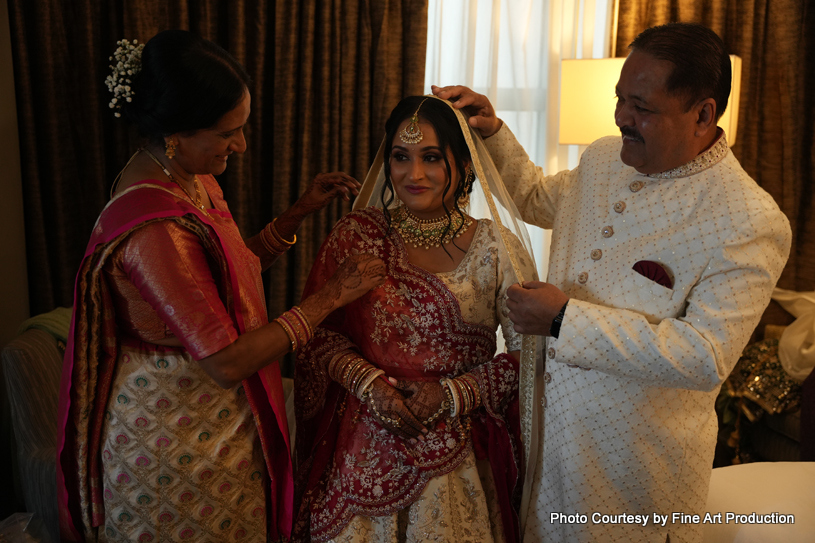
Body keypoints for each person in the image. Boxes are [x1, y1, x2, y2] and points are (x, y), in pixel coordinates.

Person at [433, 22, 792, 543]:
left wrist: (562, 319)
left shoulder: (748, 219)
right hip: (547, 442)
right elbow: (535, 197)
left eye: (642, 108)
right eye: (620, 98)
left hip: (633, 479)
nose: (622, 117)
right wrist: (492, 132)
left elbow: (704, 354)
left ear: (703, 115)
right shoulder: (603, 157)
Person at [56, 30, 386, 543]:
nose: (242, 144)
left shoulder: (192, 177)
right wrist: (331, 298)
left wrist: (295, 214)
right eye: (227, 132)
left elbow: (222, 280)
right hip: (174, 438)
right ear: (176, 133)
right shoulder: (156, 229)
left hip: (215, 422)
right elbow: (227, 361)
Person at [290, 95, 538, 542]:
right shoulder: (358, 234)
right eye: (400, 158)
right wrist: (370, 387)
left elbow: (530, 358)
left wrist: (453, 393)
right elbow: (318, 337)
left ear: (464, 164)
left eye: (431, 158)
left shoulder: (496, 247)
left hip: (456, 454)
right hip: (360, 445)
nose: (413, 174)